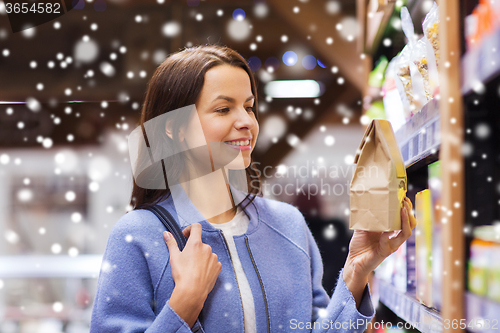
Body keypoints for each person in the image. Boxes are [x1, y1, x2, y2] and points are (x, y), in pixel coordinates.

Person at [90, 44, 417, 333]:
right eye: (223, 109)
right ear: (174, 129)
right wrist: (184, 304)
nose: (246, 121)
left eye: (248, 106)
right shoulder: (137, 236)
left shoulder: (288, 224)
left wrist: (356, 270)